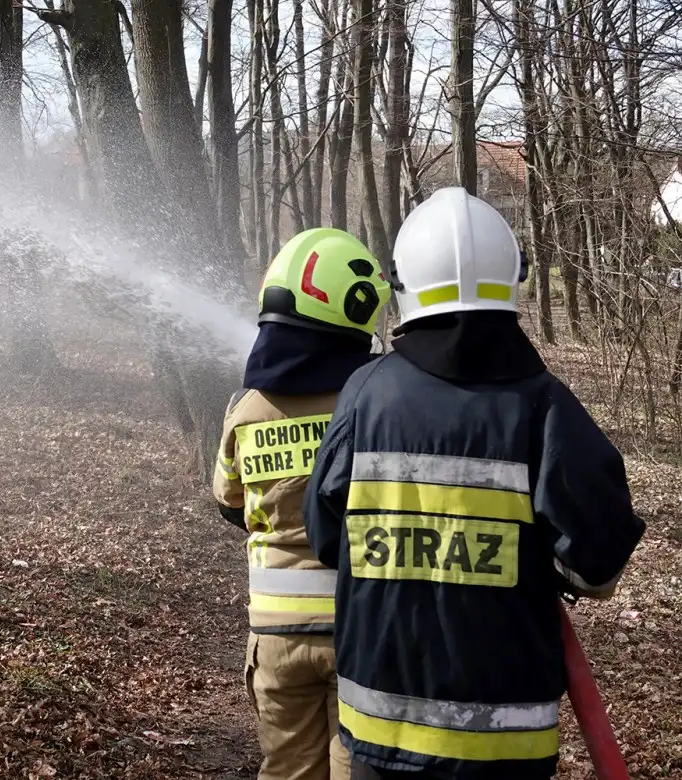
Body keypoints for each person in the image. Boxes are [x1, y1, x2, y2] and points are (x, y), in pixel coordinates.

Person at [301, 187, 646, 780]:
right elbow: (598, 564)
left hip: (383, 734)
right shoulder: (546, 408)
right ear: (512, 282)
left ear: (403, 286)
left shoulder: (364, 395)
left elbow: (326, 536)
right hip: (505, 748)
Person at [213, 227, 390, 780]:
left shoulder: (246, 408)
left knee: (287, 768)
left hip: (275, 637)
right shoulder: (372, 403)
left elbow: (228, 501)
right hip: (357, 630)